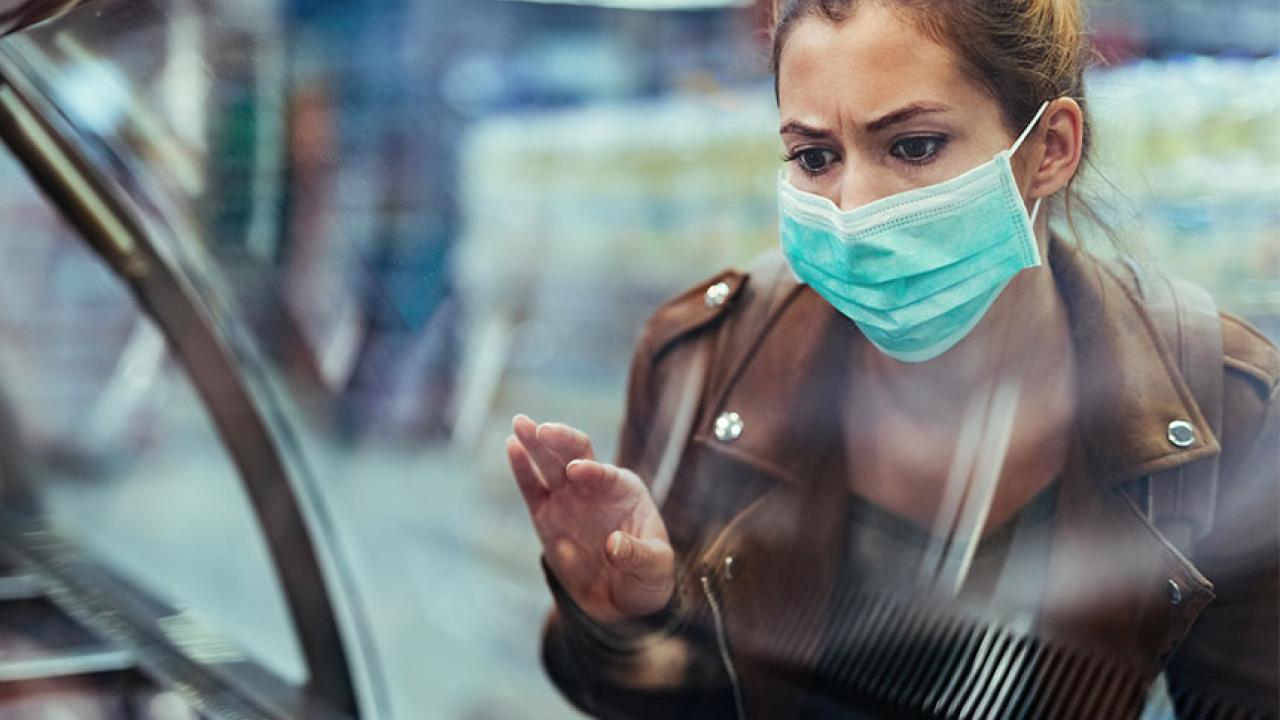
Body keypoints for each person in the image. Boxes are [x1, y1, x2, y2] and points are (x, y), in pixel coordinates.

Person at [505, 0, 1280, 717]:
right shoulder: (705, 366)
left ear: (1049, 148)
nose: (852, 211)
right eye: (814, 157)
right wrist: (622, 619)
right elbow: (670, 699)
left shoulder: (1227, 408)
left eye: (912, 146)